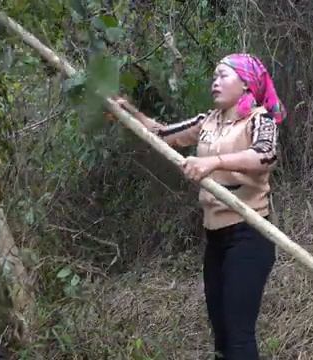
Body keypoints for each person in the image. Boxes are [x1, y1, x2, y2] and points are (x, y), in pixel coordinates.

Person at [112, 53, 286, 360]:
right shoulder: (206, 121)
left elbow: (265, 157)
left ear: (246, 85)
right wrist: (129, 111)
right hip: (215, 239)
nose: (215, 82)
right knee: (221, 337)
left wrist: (213, 163)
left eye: (223, 76)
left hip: (249, 234)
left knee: (238, 335)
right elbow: (162, 134)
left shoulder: (260, 119)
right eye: (214, 76)